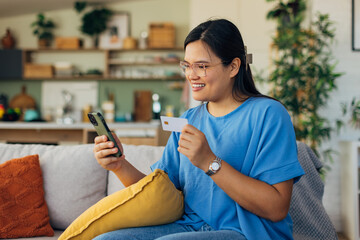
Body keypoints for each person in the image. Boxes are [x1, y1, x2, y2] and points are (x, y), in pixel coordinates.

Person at [93, 18, 305, 240]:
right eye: (187, 65)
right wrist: (119, 164)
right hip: (188, 227)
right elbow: (159, 197)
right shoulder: (188, 120)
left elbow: (276, 207)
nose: (191, 75)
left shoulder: (268, 114)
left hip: (247, 233)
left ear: (233, 66)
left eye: (202, 66)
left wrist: (209, 162)